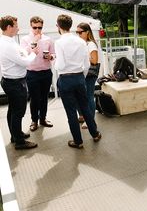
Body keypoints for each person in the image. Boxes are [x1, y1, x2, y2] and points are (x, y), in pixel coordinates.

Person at [54, 14, 101, 149]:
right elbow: (86, 64)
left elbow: (61, 65)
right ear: (70, 26)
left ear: (58, 26)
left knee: (71, 112)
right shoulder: (81, 41)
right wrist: (81, 76)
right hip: (80, 77)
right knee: (85, 106)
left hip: (66, 79)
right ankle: (95, 133)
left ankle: (78, 141)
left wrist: (54, 62)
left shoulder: (59, 42)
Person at [0, 15, 38, 150]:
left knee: (12, 110)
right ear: (9, 27)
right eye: (16, 26)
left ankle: (15, 135)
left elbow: (21, 54)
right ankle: (19, 142)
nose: (18, 28)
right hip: (15, 82)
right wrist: (33, 53)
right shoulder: (7, 44)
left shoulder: (8, 41)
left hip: (10, 80)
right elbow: (25, 61)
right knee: (18, 112)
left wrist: (27, 53)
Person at [20, 16, 55, 132]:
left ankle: (43, 119)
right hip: (32, 72)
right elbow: (24, 54)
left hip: (46, 72)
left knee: (44, 97)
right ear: (31, 26)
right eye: (35, 27)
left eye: (40, 27)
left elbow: (54, 54)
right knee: (34, 98)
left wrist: (50, 56)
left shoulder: (48, 39)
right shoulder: (25, 39)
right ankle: (34, 120)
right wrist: (34, 41)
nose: (37, 30)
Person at [75, 22, 100, 129]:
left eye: (80, 32)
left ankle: (90, 120)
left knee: (89, 96)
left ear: (87, 32)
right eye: (77, 32)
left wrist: (83, 57)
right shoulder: (83, 43)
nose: (78, 34)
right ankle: (83, 116)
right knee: (78, 96)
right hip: (83, 72)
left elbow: (94, 60)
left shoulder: (91, 44)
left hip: (90, 73)